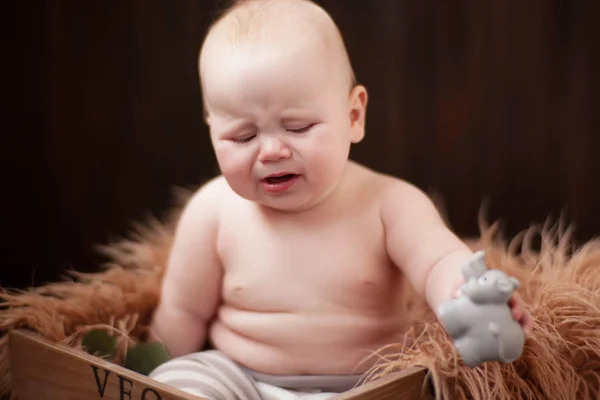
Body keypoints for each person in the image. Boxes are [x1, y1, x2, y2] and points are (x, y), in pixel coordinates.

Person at [148, 0, 532, 398]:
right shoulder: (213, 212)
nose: (271, 151)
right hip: (239, 378)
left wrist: (471, 299)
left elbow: (438, 262)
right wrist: (145, 370)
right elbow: (182, 312)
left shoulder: (389, 204)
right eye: (242, 137)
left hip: (363, 386)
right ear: (212, 129)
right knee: (182, 381)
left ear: (354, 116)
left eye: (298, 127)